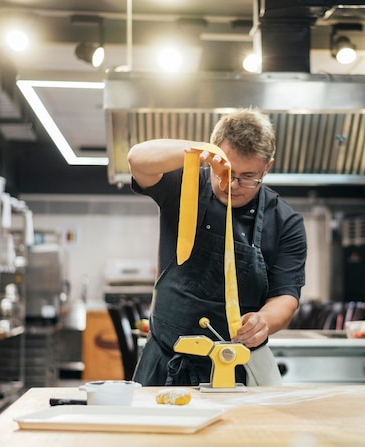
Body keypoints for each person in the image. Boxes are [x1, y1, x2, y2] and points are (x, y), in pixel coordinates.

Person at [127, 109, 307, 386]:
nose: (232, 185)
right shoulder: (184, 186)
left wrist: (264, 321)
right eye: (225, 171)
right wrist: (197, 151)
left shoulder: (285, 221)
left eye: (248, 177)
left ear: (267, 168)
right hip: (165, 362)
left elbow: (286, 296)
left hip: (236, 368)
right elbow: (137, 159)